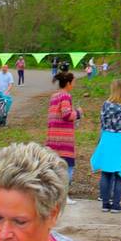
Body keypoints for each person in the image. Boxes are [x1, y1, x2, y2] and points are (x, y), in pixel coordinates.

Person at [91, 79, 121, 212]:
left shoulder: (106, 104)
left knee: (107, 171)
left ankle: (105, 204)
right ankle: (116, 204)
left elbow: (102, 121)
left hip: (108, 138)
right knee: (120, 172)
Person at [45, 70, 82, 205]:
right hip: (64, 139)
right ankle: (63, 196)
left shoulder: (54, 96)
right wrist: (78, 113)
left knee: (54, 167)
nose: (74, 85)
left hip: (52, 137)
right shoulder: (65, 96)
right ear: (68, 83)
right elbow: (66, 114)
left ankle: (53, 196)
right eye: (73, 82)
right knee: (68, 167)